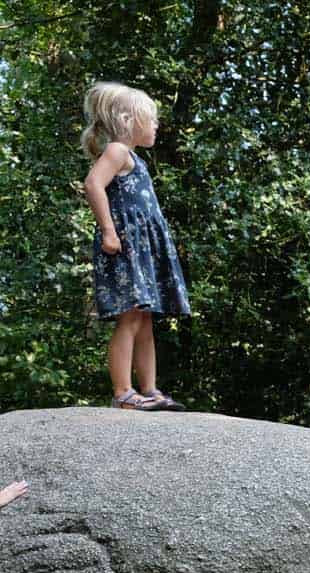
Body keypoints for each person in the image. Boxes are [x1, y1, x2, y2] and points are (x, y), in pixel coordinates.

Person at [82, 81, 190, 411]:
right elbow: (93, 184)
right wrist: (108, 231)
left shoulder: (135, 159)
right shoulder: (117, 151)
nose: (156, 125)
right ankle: (123, 392)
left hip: (143, 249)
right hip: (126, 246)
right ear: (130, 120)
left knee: (144, 320)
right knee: (130, 318)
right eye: (152, 119)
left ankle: (150, 389)